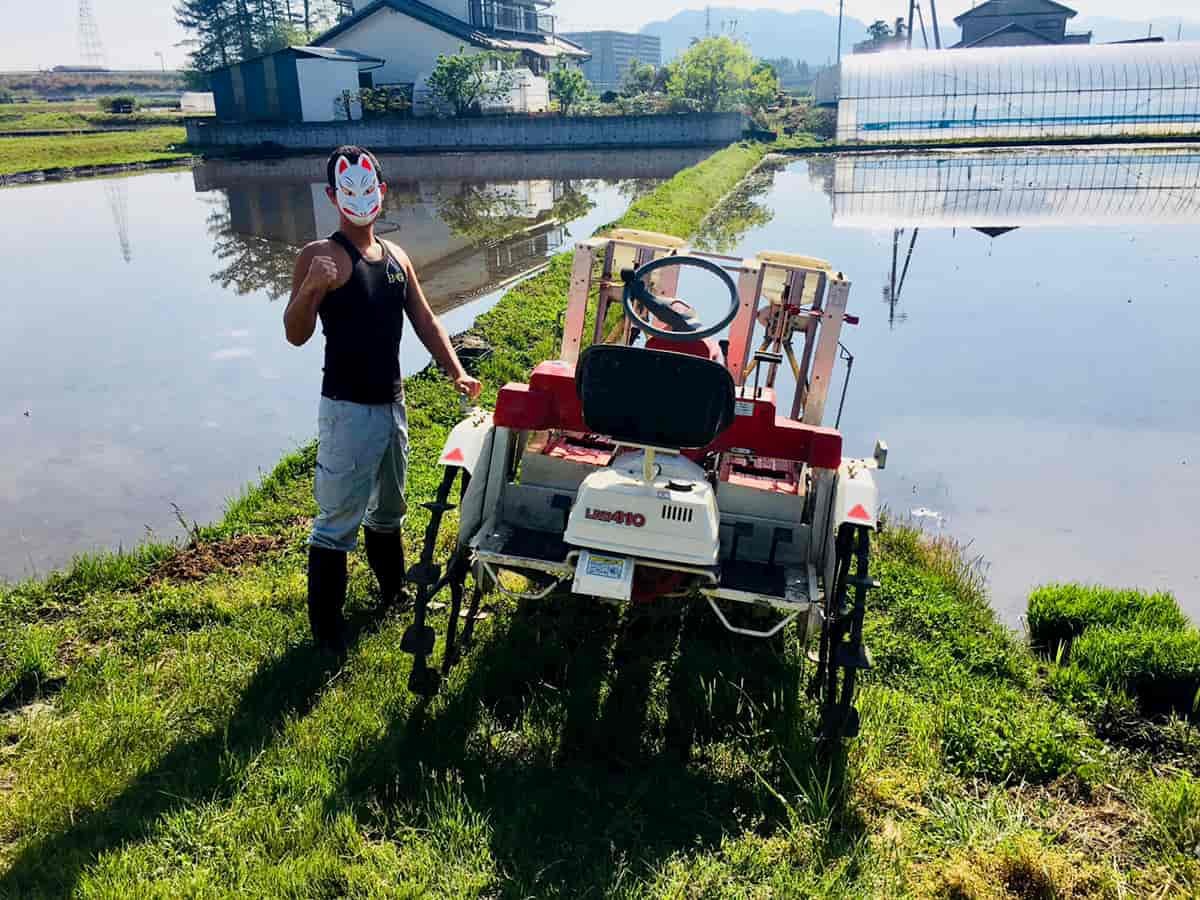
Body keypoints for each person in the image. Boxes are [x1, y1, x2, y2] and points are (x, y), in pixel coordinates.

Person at [285, 145, 482, 651]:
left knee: (389, 511)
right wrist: (310, 291)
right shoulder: (319, 255)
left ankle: (392, 595)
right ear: (332, 196)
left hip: (392, 404)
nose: (361, 196)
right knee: (334, 525)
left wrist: (455, 371)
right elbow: (295, 334)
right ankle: (326, 635)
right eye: (348, 189)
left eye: (368, 187)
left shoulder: (396, 257)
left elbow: (425, 319)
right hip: (346, 409)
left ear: (383, 192)